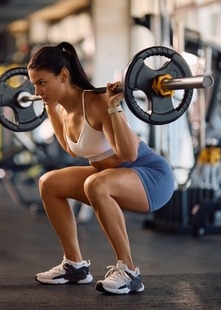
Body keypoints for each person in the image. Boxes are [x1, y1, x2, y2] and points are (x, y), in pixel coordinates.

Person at [28, 41, 175, 295]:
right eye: (34, 84)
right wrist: (50, 107)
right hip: (112, 176)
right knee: (49, 183)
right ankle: (74, 266)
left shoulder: (97, 103)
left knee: (95, 183)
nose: (37, 90)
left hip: (151, 177)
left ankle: (129, 272)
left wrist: (114, 105)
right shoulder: (64, 110)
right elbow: (70, 148)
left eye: (42, 82)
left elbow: (128, 154)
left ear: (63, 76)